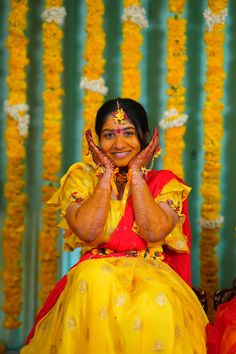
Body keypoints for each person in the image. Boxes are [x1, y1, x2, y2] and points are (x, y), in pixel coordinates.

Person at [21, 98, 208, 353]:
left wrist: (137, 175)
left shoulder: (166, 182)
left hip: (153, 273)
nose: (119, 144)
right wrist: (106, 174)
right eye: (109, 135)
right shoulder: (81, 179)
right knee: (95, 279)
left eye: (128, 133)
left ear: (145, 137)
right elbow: (87, 231)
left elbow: (154, 231)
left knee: (157, 300)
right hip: (94, 273)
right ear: (97, 141)